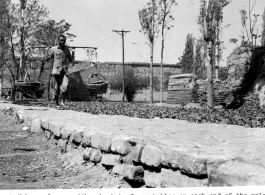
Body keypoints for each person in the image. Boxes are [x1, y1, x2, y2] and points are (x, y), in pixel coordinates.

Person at [46, 35, 73, 107]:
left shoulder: (67, 50)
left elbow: (70, 60)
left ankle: (63, 102)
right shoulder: (54, 49)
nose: (62, 42)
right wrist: (47, 51)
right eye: (61, 40)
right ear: (58, 41)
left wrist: (73, 53)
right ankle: (57, 103)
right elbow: (47, 58)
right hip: (56, 71)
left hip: (64, 71)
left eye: (64, 40)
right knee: (56, 88)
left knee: (65, 86)